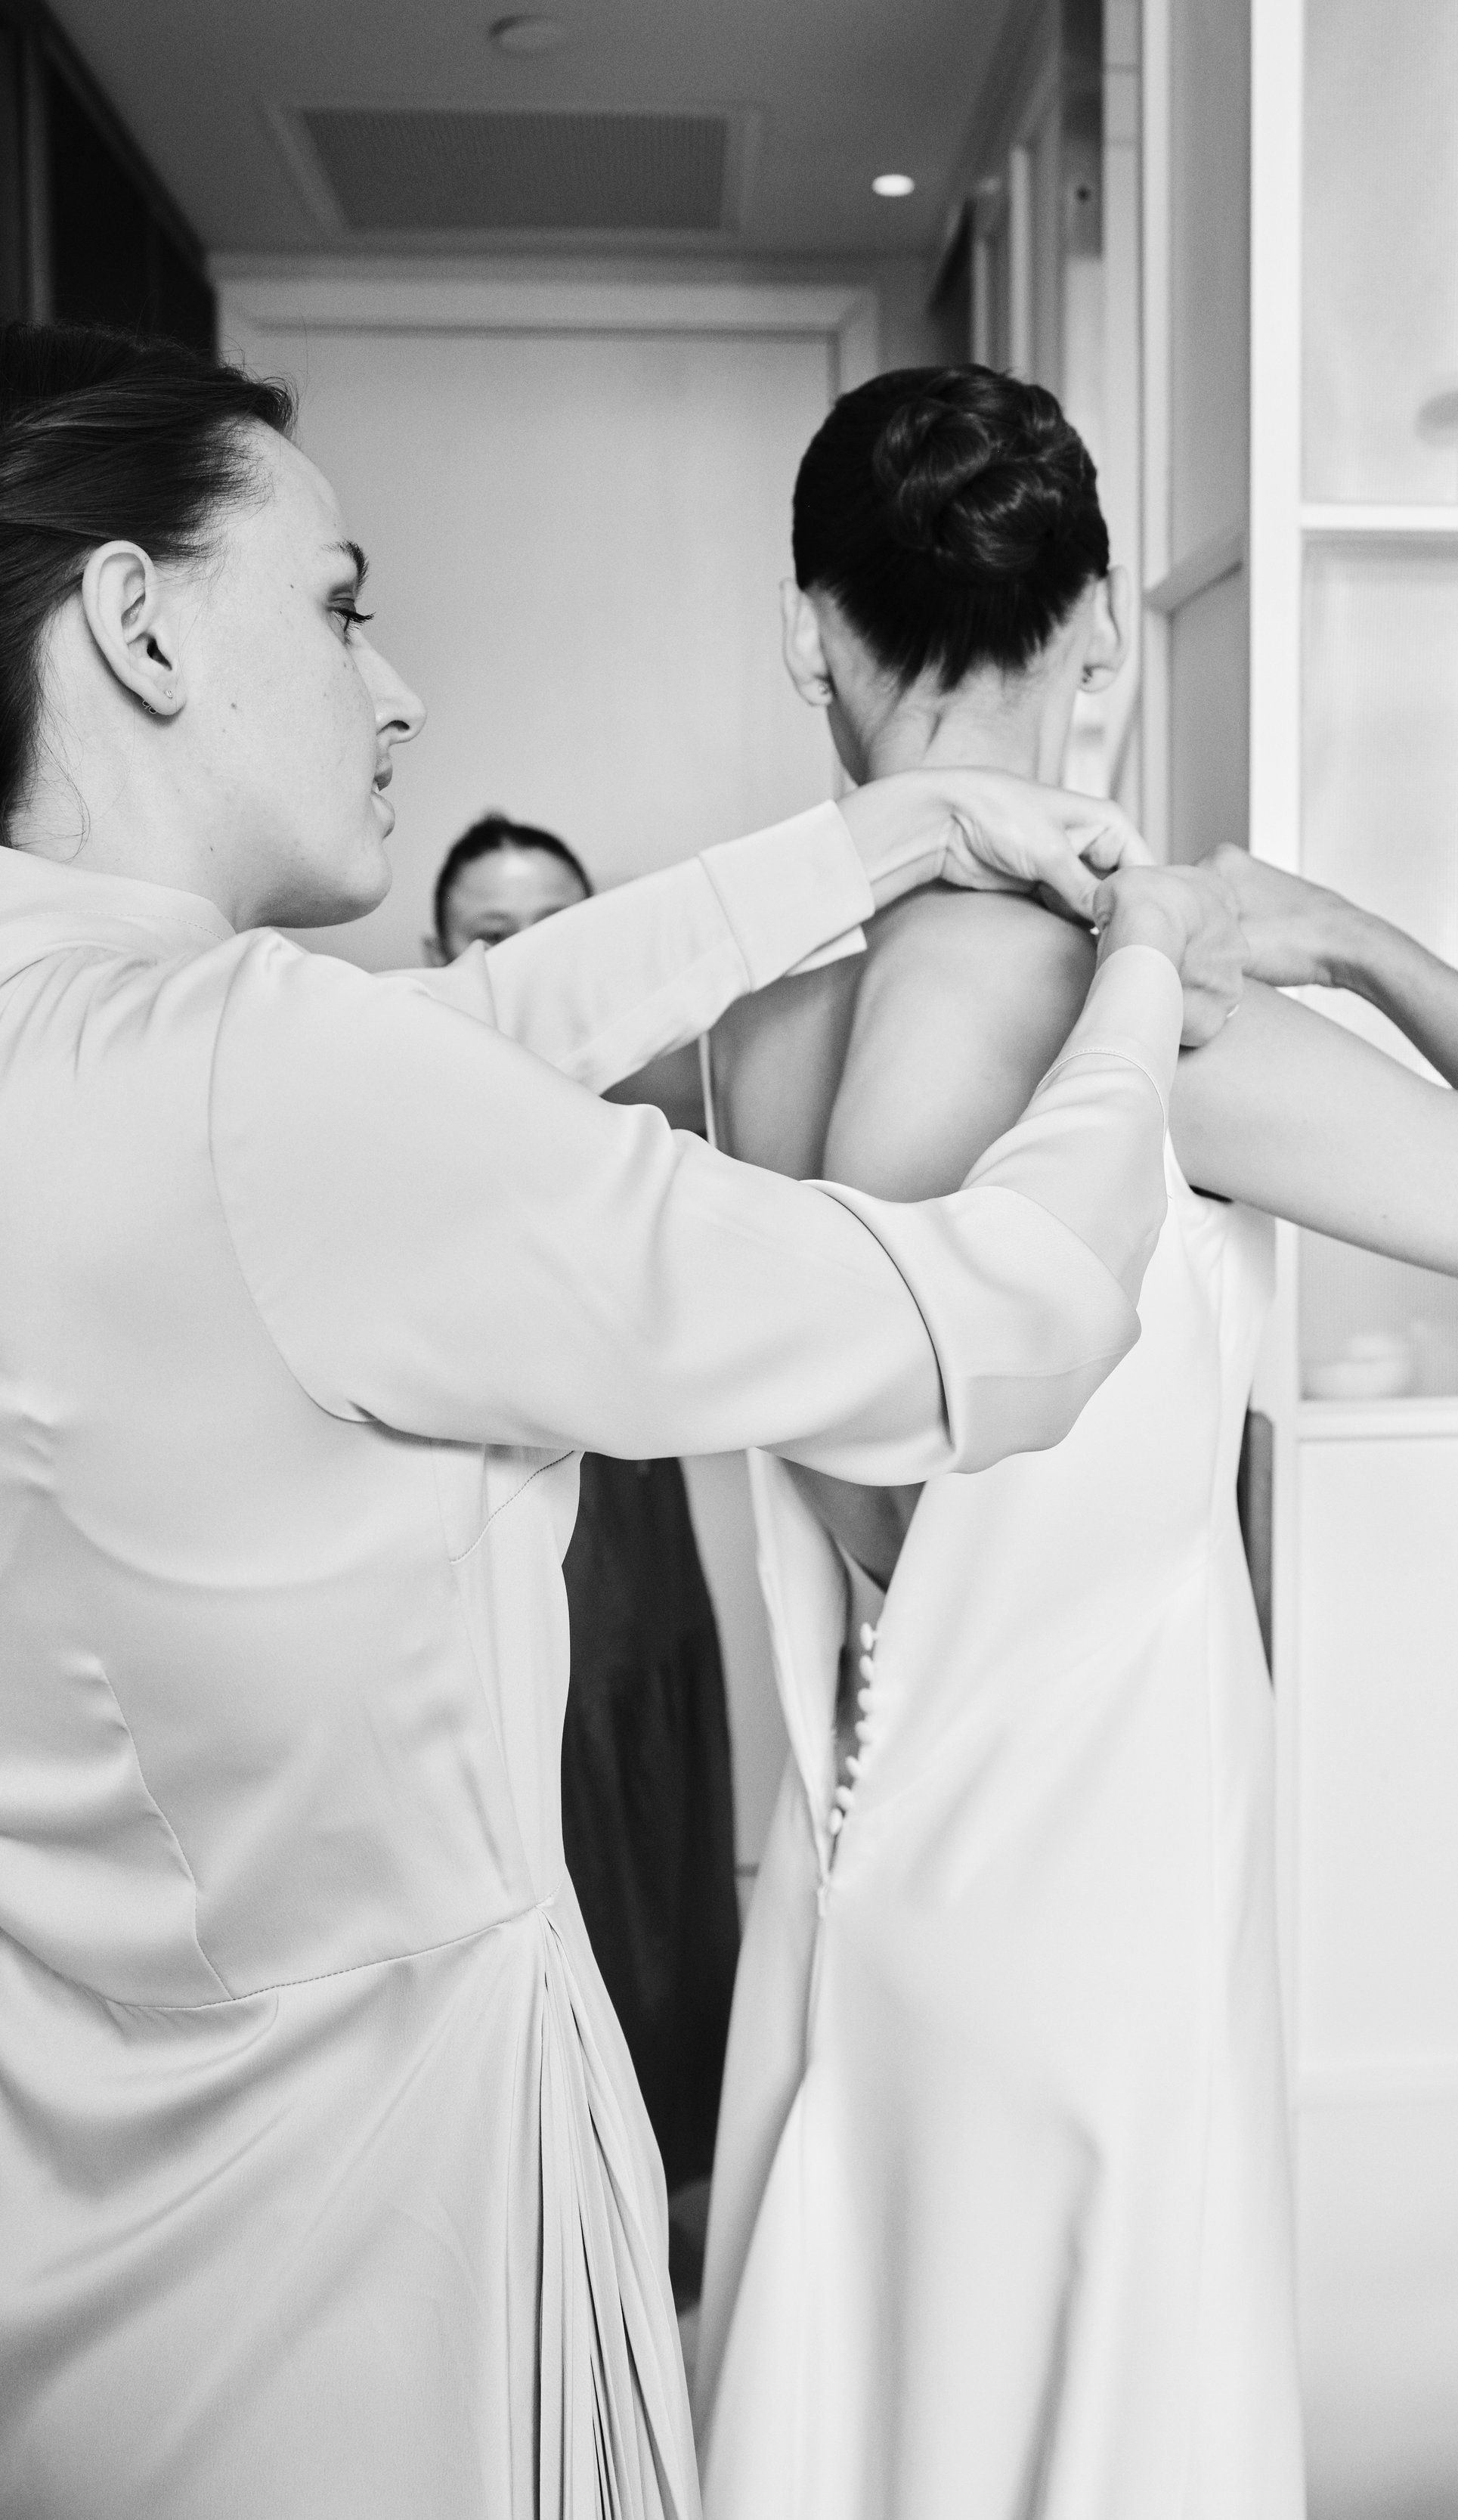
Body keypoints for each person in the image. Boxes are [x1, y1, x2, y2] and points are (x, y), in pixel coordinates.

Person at [0, 321, 1246, 2520]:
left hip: (77, 2221)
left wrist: (886, 834)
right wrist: (1145, 979)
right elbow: (1003, 1319)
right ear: (134, 619)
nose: (391, 689)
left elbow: (472, 1035)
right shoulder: (256, 1074)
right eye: (340, 600)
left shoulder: (85, 1039)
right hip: (356, 2240)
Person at [693, 366, 1458, 2520]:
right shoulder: (1150, 1019)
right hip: (1095, 1934)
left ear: (806, 631)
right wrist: (1355, 942)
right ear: (1101, 627)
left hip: (851, 1921)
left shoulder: (742, 1026)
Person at [431, 813, 737, 2292]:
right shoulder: (399, 1120)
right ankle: (565, 2233)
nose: (526, 951)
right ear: (446, 956)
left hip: (645, 1569)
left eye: (553, 918)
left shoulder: (657, 1106)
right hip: (496, 1593)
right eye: (492, 931)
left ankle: (671, 2212)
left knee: (670, 1871)